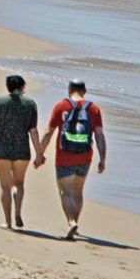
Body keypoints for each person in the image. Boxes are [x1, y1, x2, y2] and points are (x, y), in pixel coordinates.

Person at [34, 79, 106, 239]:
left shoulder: (61, 106)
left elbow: (48, 133)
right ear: (84, 91)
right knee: (78, 192)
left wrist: (40, 154)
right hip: (85, 156)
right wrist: (102, 159)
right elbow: (99, 136)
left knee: (65, 192)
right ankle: (75, 222)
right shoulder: (94, 109)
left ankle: (71, 222)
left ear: (68, 90)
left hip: (64, 156)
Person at [0, 73, 45, 230]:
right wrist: (39, 154)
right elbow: (33, 131)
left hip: (1, 149)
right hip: (22, 150)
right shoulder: (30, 104)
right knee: (19, 183)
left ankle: (8, 222)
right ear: (22, 87)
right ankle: (18, 211)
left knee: (4, 186)